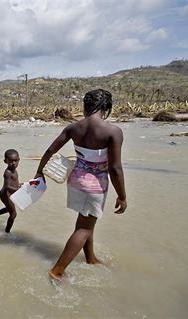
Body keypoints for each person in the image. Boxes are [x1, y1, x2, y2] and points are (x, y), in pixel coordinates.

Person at [34, 89, 127, 280]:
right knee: (83, 228)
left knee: (85, 221)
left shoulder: (73, 128)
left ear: (85, 106)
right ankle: (57, 271)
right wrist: (122, 196)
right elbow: (115, 168)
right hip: (94, 187)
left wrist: (39, 171)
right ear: (106, 107)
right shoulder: (113, 131)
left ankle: (90, 259)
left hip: (75, 182)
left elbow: (50, 150)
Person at [0, 149, 22, 233]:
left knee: (7, 209)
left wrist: (20, 185)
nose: (13, 163)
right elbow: (7, 186)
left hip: (9, 194)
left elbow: (14, 182)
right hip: (6, 195)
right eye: (10, 161)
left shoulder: (14, 170)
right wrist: (18, 190)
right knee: (13, 214)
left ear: (19, 160)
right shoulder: (8, 172)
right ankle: (7, 233)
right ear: (5, 161)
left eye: (15, 161)